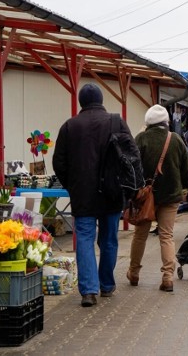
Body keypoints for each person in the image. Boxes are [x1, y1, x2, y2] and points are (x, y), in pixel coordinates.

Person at [53, 83, 140, 307]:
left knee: (84, 239)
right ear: (101, 100)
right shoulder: (115, 121)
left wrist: (72, 185)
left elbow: (58, 163)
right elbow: (132, 156)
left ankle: (88, 291)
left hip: (82, 195)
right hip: (111, 193)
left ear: (81, 102)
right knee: (109, 239)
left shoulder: (69, 126)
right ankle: (107, 285)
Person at [127, 105, 188, 293]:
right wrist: (186, 186)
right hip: (171, 195)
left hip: (145, 196)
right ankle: (167, 277)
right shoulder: (176, 139)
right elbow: (187, 167)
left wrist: (134, 191)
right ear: (166, 122)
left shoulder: (141, 138)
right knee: (167, 235)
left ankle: (134, 273)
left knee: (140, 235)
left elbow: (132, 166)